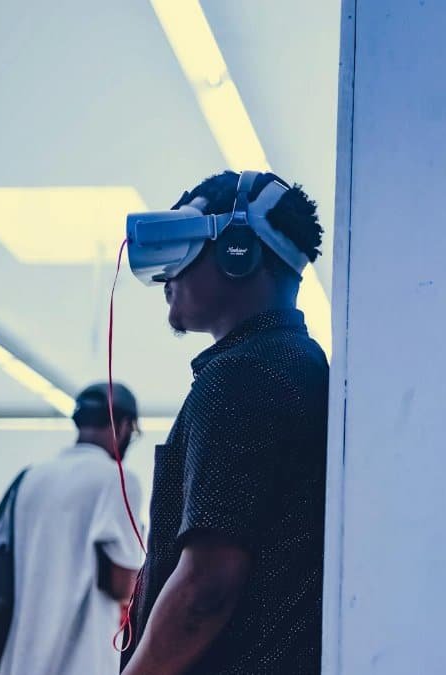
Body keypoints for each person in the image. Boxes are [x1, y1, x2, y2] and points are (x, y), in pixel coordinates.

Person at [120, 171, 329, 675]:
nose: (168, 276)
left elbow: (206, 588)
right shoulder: (290, 362)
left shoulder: (243, 374)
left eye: (186, 244)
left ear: (239, 249)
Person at [0, 383, 145, 675]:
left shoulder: (29, 478)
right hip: (82, 659)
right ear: (125, 424)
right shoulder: (116, 479)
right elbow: (121, 585)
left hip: (18, 660)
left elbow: (3, 557)